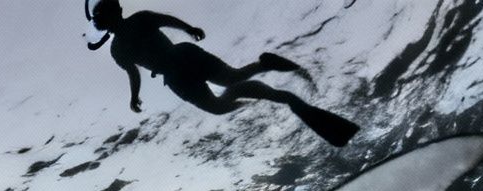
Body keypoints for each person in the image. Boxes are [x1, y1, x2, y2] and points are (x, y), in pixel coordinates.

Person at [85, 2, 358, 147]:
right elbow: (133, 72)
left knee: (225, 93)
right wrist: (134, 96)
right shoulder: (120, 47)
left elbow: (165, 23)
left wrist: (189, 28)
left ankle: (269, 80)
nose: (102, 20)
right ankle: (265, 68)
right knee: (228, 87)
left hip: (178, 64)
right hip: (177, 68)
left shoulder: (131, 31)